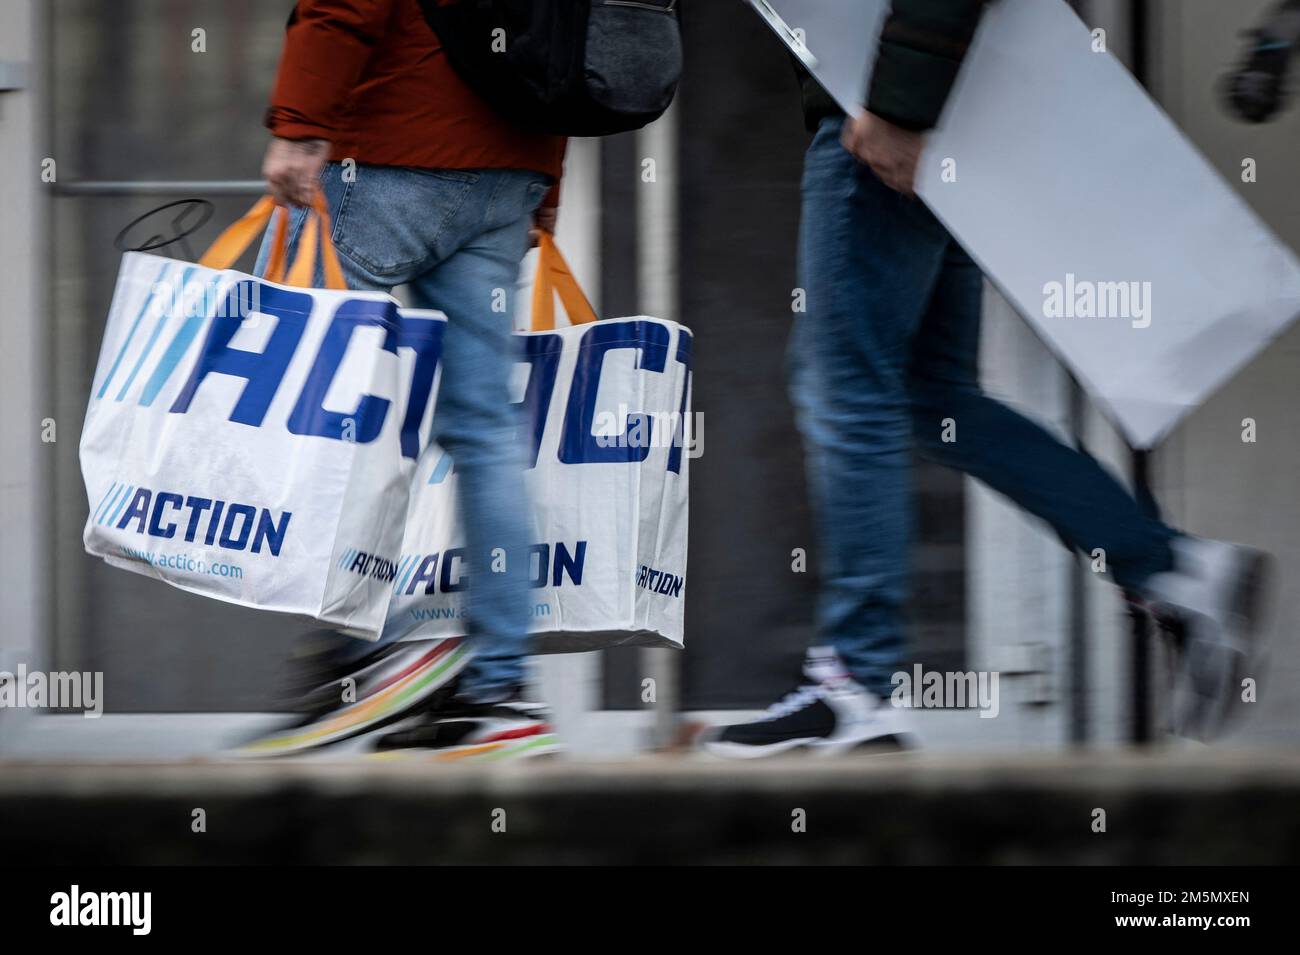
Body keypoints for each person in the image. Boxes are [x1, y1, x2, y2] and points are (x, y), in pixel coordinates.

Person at [706, 0, 1271, 757]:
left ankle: (856, 682)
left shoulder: (892, 109)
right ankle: (1175, 566)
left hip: (885, 112)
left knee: (844, 387)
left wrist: (899, 103)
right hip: (948, 117)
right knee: (932, 395)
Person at [249, 0, 564, 759]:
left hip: (386, 155)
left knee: (334, 408)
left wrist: (298, 125)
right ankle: (498, 688)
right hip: (507, 169)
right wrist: (542, 188)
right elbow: (558, 34)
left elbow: (343, 5)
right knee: (486, 430)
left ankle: (370, 657)